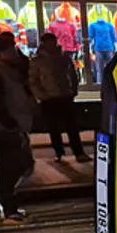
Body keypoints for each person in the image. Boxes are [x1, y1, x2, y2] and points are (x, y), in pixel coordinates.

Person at [0, 37, 35, 224]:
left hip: (14, 126)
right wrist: (10, 124)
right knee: (11, 166)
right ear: (0, 54)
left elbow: (25, 67)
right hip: (3, 129)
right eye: (12, 50)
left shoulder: (9, 71)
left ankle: (1, 198)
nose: (15, 54)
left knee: (23, 164)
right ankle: (6, 205)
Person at [30, 32, 88, 162]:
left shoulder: (64, 58)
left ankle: (78, 152)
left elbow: (73, 75)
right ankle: (59, 152)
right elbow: (33, 80)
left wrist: (73, 90)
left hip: (65, 96)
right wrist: (42, 95)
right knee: (54, 128)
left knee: (72, 126)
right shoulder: (38, 61)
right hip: (49, 98)